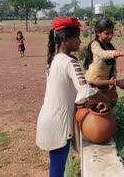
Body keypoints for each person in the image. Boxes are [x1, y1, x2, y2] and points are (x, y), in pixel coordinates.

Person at [36, 16, 110, 177]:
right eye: (77, 38)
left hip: (49, 118)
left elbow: (72, 91)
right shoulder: (70, 63)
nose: (80, 42)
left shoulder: (53, 59)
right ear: (65, 39)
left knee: (57, 166)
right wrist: (105, 99)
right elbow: (86, 90)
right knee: (57, 169)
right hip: (58, 122)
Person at [84, 18, 124, 91]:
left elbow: (113, 68)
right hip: (93, 84)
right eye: (107, 33)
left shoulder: (111, 47)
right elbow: (102, 54)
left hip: (105, 84)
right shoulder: (94, 44)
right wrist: (123, 53)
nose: (110, 36)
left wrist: (113, 78)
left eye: (112, 33)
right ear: (98, 33)